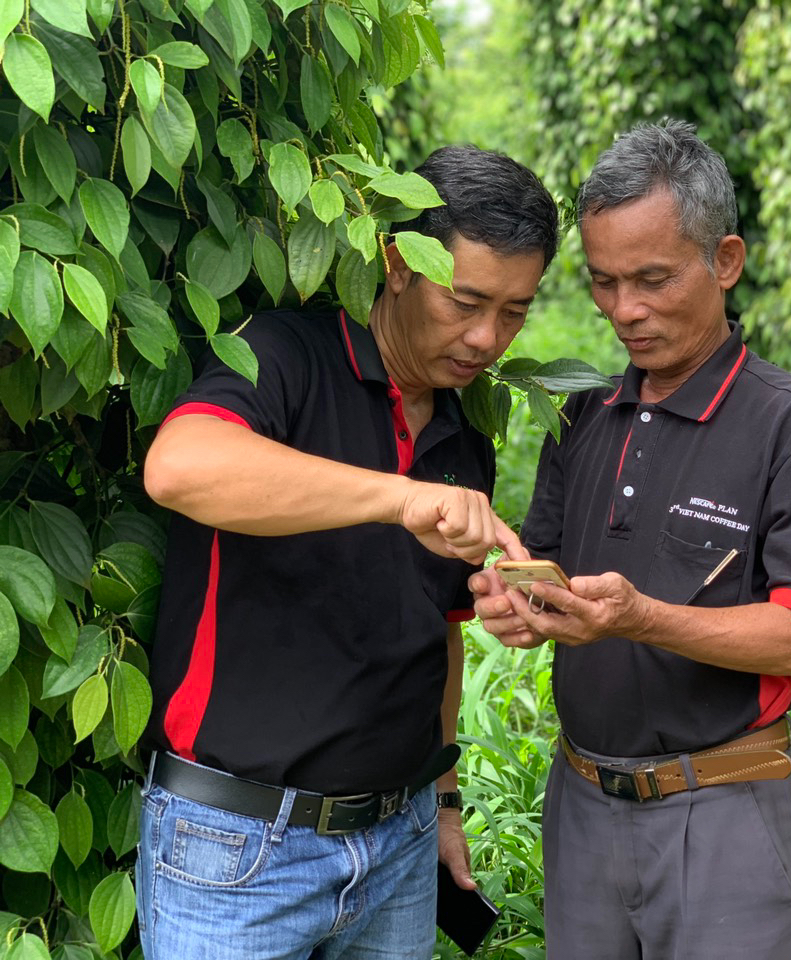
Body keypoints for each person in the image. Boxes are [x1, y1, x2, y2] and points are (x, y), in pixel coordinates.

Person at [137, 145, 555, 960]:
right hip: (236, 849)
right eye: (466, 300)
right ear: (399, 264)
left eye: (515, 311)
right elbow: (178, 465)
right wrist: (400, 498)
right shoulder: (287, 354)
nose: (485, 338)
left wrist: (442, 803)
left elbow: (438, 632)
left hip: (397, 848)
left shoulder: (460, 432)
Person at [470, 120, 791, 959]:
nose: (626, 312)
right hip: (581, 805)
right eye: (604, 283)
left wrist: (641, 616)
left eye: (652, 279)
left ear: (724, 261)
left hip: (723, 813)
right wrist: (518, 602)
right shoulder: (583, 414)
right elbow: (546, 577)